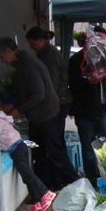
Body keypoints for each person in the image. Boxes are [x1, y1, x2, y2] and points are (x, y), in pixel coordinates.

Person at [0, 37, 79, 190]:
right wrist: (14, 105)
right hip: (40, 116)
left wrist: (17, 111)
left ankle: (74, 185)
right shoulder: (23, 63)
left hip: (47, 115)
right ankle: (46, 188)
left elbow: (38, 94)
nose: (1, 61)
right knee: (40, 153)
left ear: (8, 52)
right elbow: (27, 92)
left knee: (55, 152)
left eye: (1, 56)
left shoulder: (27, 64)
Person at [68, 28, 106, 186]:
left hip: (104, 108)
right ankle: (93, 179)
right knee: (88, 146)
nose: (100, 44)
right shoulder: (77, 59)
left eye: (103, 41)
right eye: (97, 40)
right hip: (85, 110)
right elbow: (72, 83)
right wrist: (88, 82)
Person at [0, 104, 56, 211]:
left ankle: (45, 192)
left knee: (27, 174)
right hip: (18, 146)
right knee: (26, 176)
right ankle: (36, 202)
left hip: (16, 148)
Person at [25, 26, 74, 189]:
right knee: (54, 143)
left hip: (58, 103)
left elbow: (50, 84)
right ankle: (58, 179)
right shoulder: (46, 53)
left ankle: (68, 180)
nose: (31, 47)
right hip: (59, 101)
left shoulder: (48, 55)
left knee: (54, 144)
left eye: (32, 43)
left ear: (40, 41)